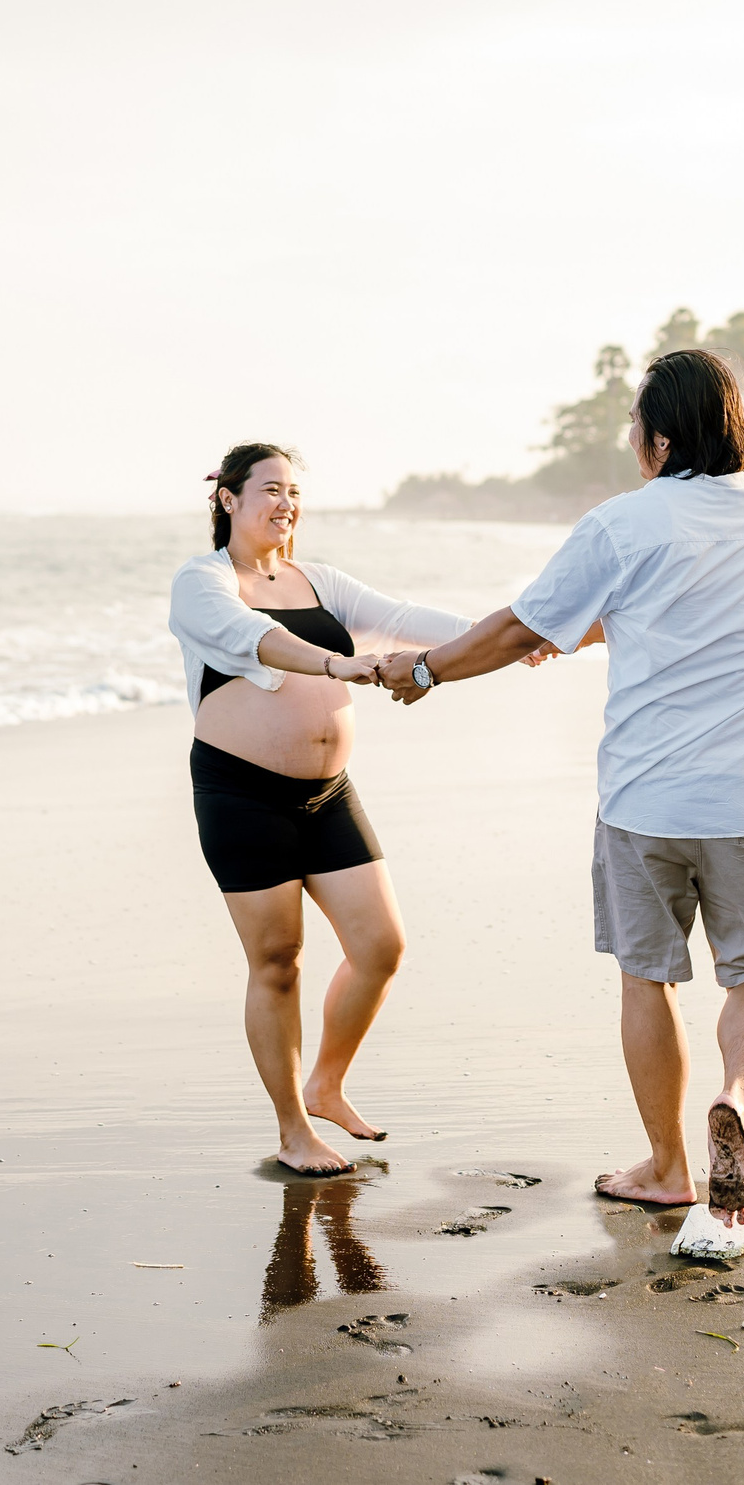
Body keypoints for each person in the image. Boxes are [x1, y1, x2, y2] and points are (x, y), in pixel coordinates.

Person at [374, 349, 744, 1225]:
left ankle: (668, 1167)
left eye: (636, 429)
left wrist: (424, 668)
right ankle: (736, 1096)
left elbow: (515, 628)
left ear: (660, 438)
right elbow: (677, 612)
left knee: (648, 978)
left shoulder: (622, 523)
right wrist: (571, 629)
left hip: (646, 799)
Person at [169, 443, 474, 1177]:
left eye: (294, 492)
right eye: (271, 489)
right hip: (242, 792)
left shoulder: (320, 580)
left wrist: (502, 635)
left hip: (329, 793)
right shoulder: (203, 582)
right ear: (228, 499)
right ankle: (293, 1129)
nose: (286, 504)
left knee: (381, 947)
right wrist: (339, 663)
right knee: (277, 962)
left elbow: (400, 617)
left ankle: (326, 1084)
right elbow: (257, 639)